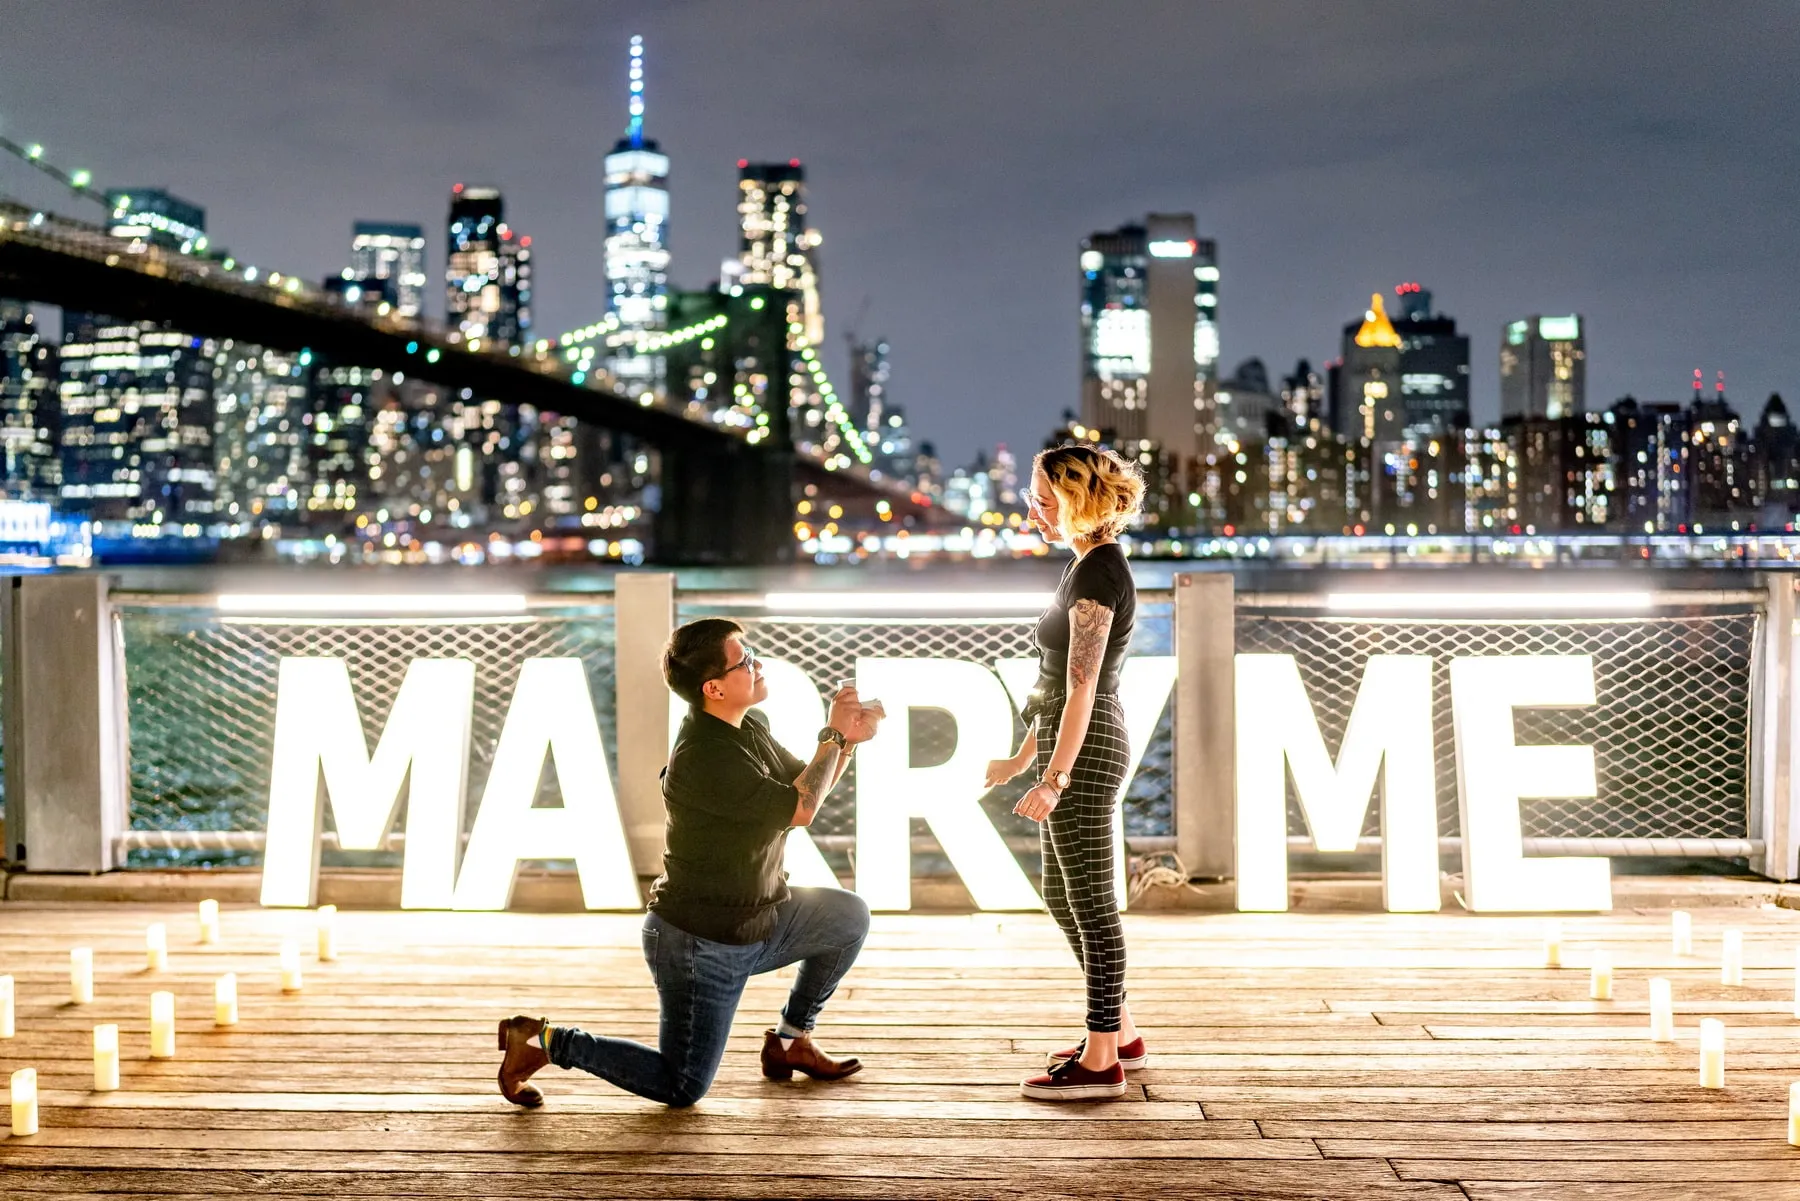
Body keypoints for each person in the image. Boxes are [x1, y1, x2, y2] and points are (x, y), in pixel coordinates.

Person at [495, 617, 881, 1108]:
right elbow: (802, 809)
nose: (756, 663)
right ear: (714, 688)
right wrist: (834, 734)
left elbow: (806, 788)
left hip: (759, 919)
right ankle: (543, 1042)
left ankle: (789, 1043)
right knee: (682, 1087)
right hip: (700, 944)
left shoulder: (748, 727)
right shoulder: (704, 757)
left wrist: (846, 741)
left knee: (848, 915)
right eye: (744, 661)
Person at [987, 443, 1146, 1100]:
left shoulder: (1099, 574)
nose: (1033, 512)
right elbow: (1055, 682)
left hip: (1086, 747)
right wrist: (1023, 759)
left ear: (1079, 502)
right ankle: (1123, 1031)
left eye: (1044, 501)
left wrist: (1054, 777)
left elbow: (1082, 684)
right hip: (1064, 739)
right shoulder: (1084, 565)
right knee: (1062, 894)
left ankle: (1102, 1059)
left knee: (1091, 904)